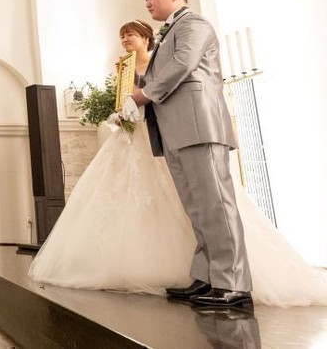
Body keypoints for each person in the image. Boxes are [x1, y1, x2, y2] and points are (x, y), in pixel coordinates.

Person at [29, 16, 327, 307]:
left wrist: (138, 98)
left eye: (130, 34)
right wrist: (121, 111)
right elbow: (126, 99)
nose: (125, 39)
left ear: (145, 38)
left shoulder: (162, 58)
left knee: (202, 203)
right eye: (122, 36)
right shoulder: (124, 67)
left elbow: (164, 89)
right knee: (181, 203)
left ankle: (226, 278)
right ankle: (200, 273)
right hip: (140, 135)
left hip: (170, 133)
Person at [132, 0, 251, 308]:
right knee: (197, 208)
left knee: (216, 204)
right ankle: (207, 276)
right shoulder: (169, 31)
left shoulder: (193, 24)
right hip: (176, 128)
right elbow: (162, 73)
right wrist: (133, 82)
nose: (147, 3)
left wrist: (144, 94)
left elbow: (183, 63)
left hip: (199, 125)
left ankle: (233, 283)